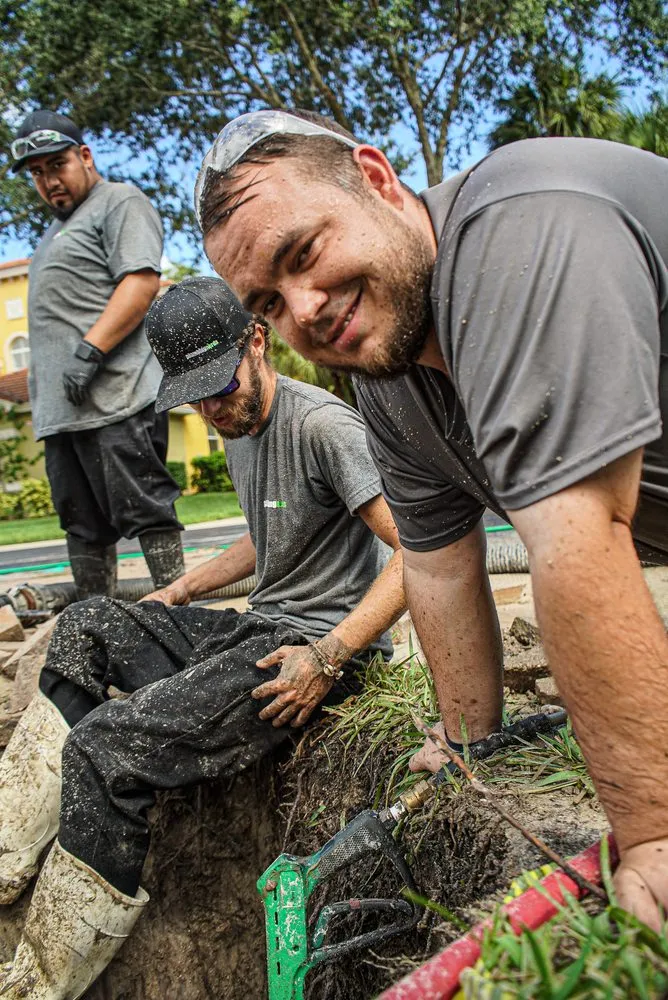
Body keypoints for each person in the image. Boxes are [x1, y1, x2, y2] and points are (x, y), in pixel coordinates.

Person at [195, 109, 668, 930]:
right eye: (268, 302)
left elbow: (576, 536)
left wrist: (657, 834)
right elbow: (440, 562)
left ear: (378, 180)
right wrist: (464, 745)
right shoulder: (386, 376)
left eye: (303, 254)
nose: (303, 310)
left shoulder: (519, 232)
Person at [0, 276, 405, 997]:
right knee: (87, 623)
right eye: (197, 397)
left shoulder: (324, 427)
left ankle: (39, 983)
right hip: (256, 628)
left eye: (222, 388)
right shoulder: (242, 428)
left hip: (315, 652)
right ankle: (7, 857)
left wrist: (332, 653)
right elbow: (269, 534)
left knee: (105, 747)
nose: (214, 410)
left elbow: (420, 555)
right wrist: (181, 589)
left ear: (258, 339)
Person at [10, 109, 184, 597]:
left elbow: (141, 280)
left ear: (85, 156)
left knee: (146, 506)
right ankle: (95, 632)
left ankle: (181, 617)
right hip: (62, 416)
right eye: (37, 174)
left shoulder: (119, 201)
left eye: (56, 165)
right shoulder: (51, 235)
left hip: (117, 400)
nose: (48, 181)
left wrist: (92, 350)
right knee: (81, 525)